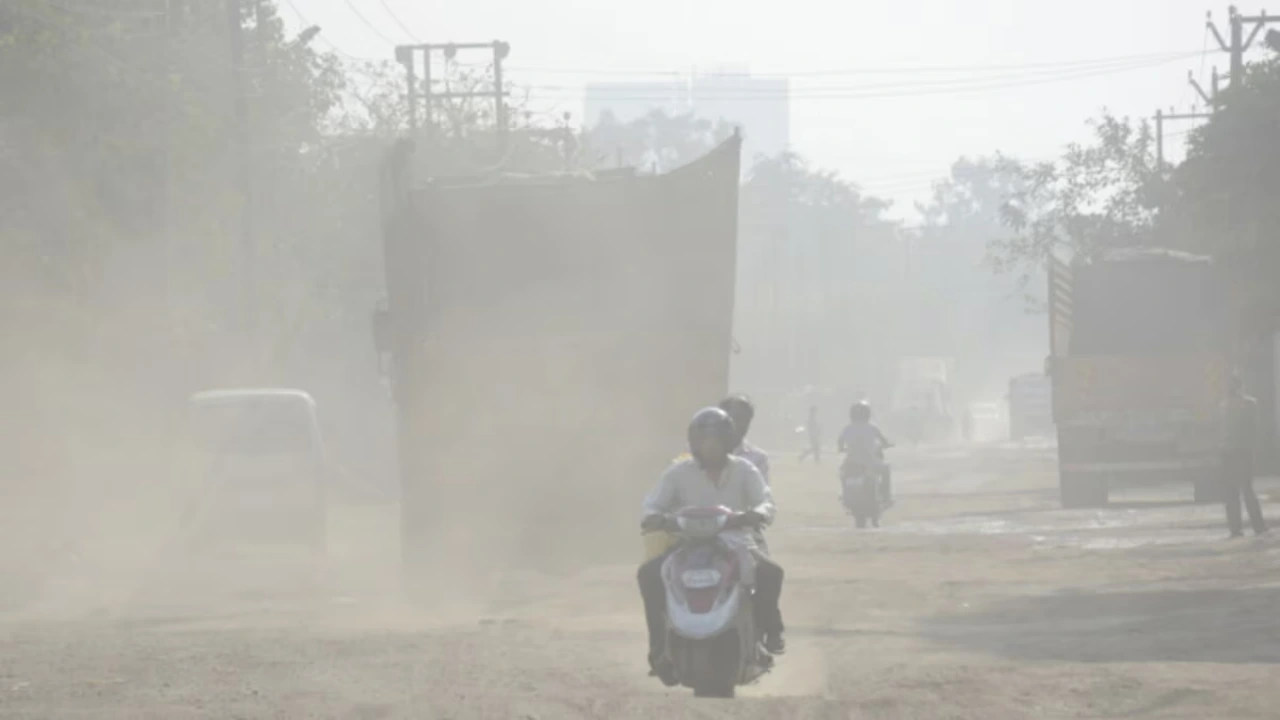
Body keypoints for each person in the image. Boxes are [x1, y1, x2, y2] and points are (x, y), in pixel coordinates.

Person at [637, 407, 786, 686]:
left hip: (737, 542)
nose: (710, 447)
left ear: (728, 441)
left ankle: (769, 633)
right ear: (694, 443)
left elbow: (766, 500)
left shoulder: (745, 469)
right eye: (704, 441)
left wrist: (759, 513)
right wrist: (654, 518)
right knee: (648, 575)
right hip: (686, 544)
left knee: (770, 573)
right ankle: (658, 647)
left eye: (716, 440)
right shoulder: (678, 472)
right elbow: (652, 504)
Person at [1222, 374, 1267, 538]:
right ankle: (1257, 526)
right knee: (1246, 489)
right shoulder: (1250, 404)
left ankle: (1236, 528)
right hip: (1242, 452)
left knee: (1233, 491)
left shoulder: (1225, 406)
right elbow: (1254, 429)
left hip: (1230, 452)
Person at [838, 400, 894, 504]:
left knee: (843, 473)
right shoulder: (872, 427)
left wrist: (841, 448)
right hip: (871, 462)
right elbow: (884, 441)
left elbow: (840, 441)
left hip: (852, 462)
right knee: (886, 469)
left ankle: (845, 495)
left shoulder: (848, 428)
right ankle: (886, 497)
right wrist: (887, 445)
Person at [719, 395, 770, 484]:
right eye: (736, 418)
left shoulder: (758, 459)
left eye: (746, 419)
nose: (742, 424)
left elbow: (762, 495)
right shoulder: (697, 452)